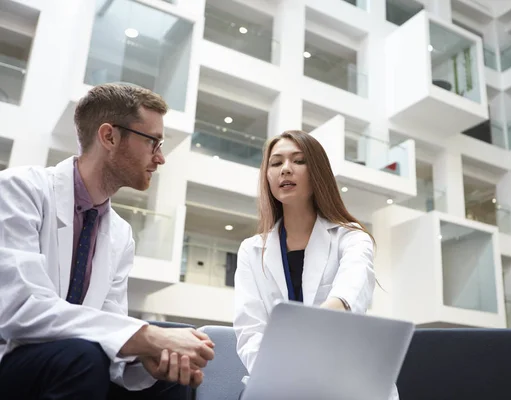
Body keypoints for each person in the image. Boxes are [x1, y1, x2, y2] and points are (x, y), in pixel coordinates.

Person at [0, 83, 215, 399]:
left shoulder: (120, 234)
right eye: (153, 142)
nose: (161, 158)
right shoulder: (19, 190)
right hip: (12, 358)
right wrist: (145, 336)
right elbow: (21, 309)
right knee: (83, 357)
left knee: (171, 371)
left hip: (76, 359)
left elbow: (109, 327)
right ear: (110, 136)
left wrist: (145, 364)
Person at [233, 130, 400, 400]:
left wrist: (314, 326)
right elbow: (250, 330)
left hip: (346, 381)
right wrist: (283, 374)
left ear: (317, 172)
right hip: (279, 383)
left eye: (298, 161)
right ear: (267, 176)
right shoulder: (251, 250)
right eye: (276, 163)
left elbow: (351, 290)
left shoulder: (351, 236)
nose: (286, 169)